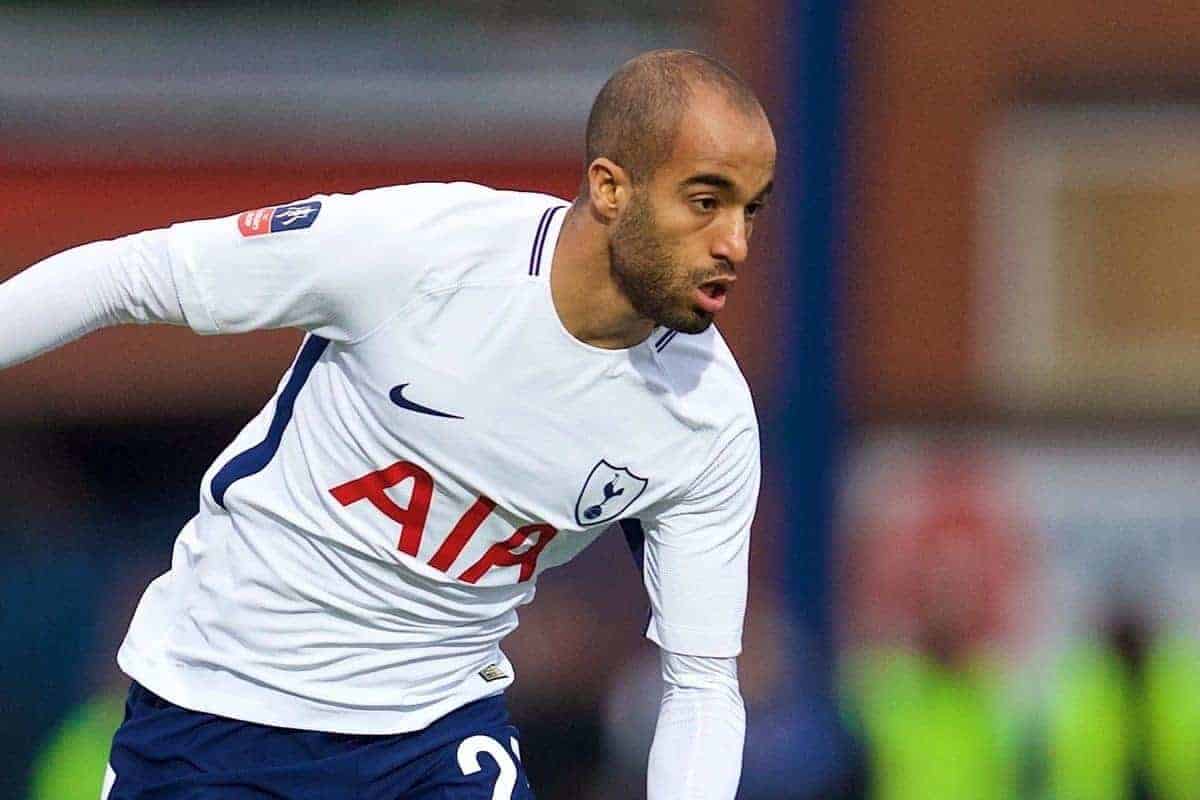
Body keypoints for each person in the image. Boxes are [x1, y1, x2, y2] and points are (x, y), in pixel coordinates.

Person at [0, 49, 776, 799]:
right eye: (705, 202)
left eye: (750, 209)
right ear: (610, 188)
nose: (733, 244)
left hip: (432, 737)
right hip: (220, 707)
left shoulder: (707, 420)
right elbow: (127, 277)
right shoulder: (420, 254)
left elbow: (701, 682)